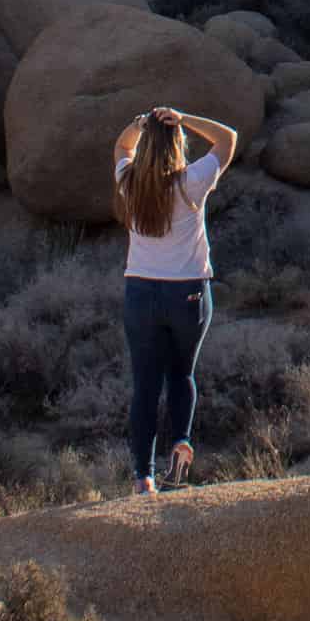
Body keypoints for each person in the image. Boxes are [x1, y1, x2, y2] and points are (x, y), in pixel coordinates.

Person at [112, 102, 238, 495]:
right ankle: (181, 439)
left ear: (148, 147)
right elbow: (228, 138)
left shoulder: (130, 184)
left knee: (146, 385)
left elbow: (121, 148)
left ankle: (143, 477)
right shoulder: (191, 182)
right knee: (181, 373)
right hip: (187, 291)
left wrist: (139, 125)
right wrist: (183, 119)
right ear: (177, 147)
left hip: (141, 292)